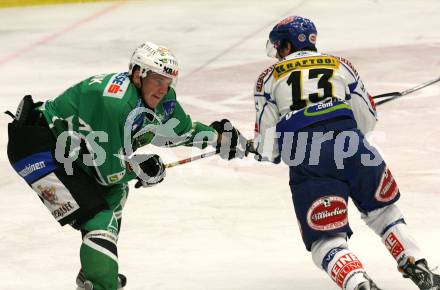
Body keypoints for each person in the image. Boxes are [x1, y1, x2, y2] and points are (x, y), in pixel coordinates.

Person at [210, 16, 440, 290]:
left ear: (285, 45)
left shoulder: (268, 78)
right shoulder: (341, 65)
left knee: (325, 239)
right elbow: (366, 121)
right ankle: (418, 264)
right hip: (353, 146)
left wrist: (248, 148)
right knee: (383, 212)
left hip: (308, 156)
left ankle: (359, 284)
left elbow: (269, 148)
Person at [6, 41, 219, 290]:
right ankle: (99, 282)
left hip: (69, 150)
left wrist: (222, 137)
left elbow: (181, 131)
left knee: (116, 193)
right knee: (100, 213)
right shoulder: (115, 103)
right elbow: (109, 173)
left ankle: (95, 273)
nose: (163, 89)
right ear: (138, 74)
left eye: (168, 81)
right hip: (37, 148)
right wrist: (141, 168)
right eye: (157, 80)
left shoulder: (160, 99)